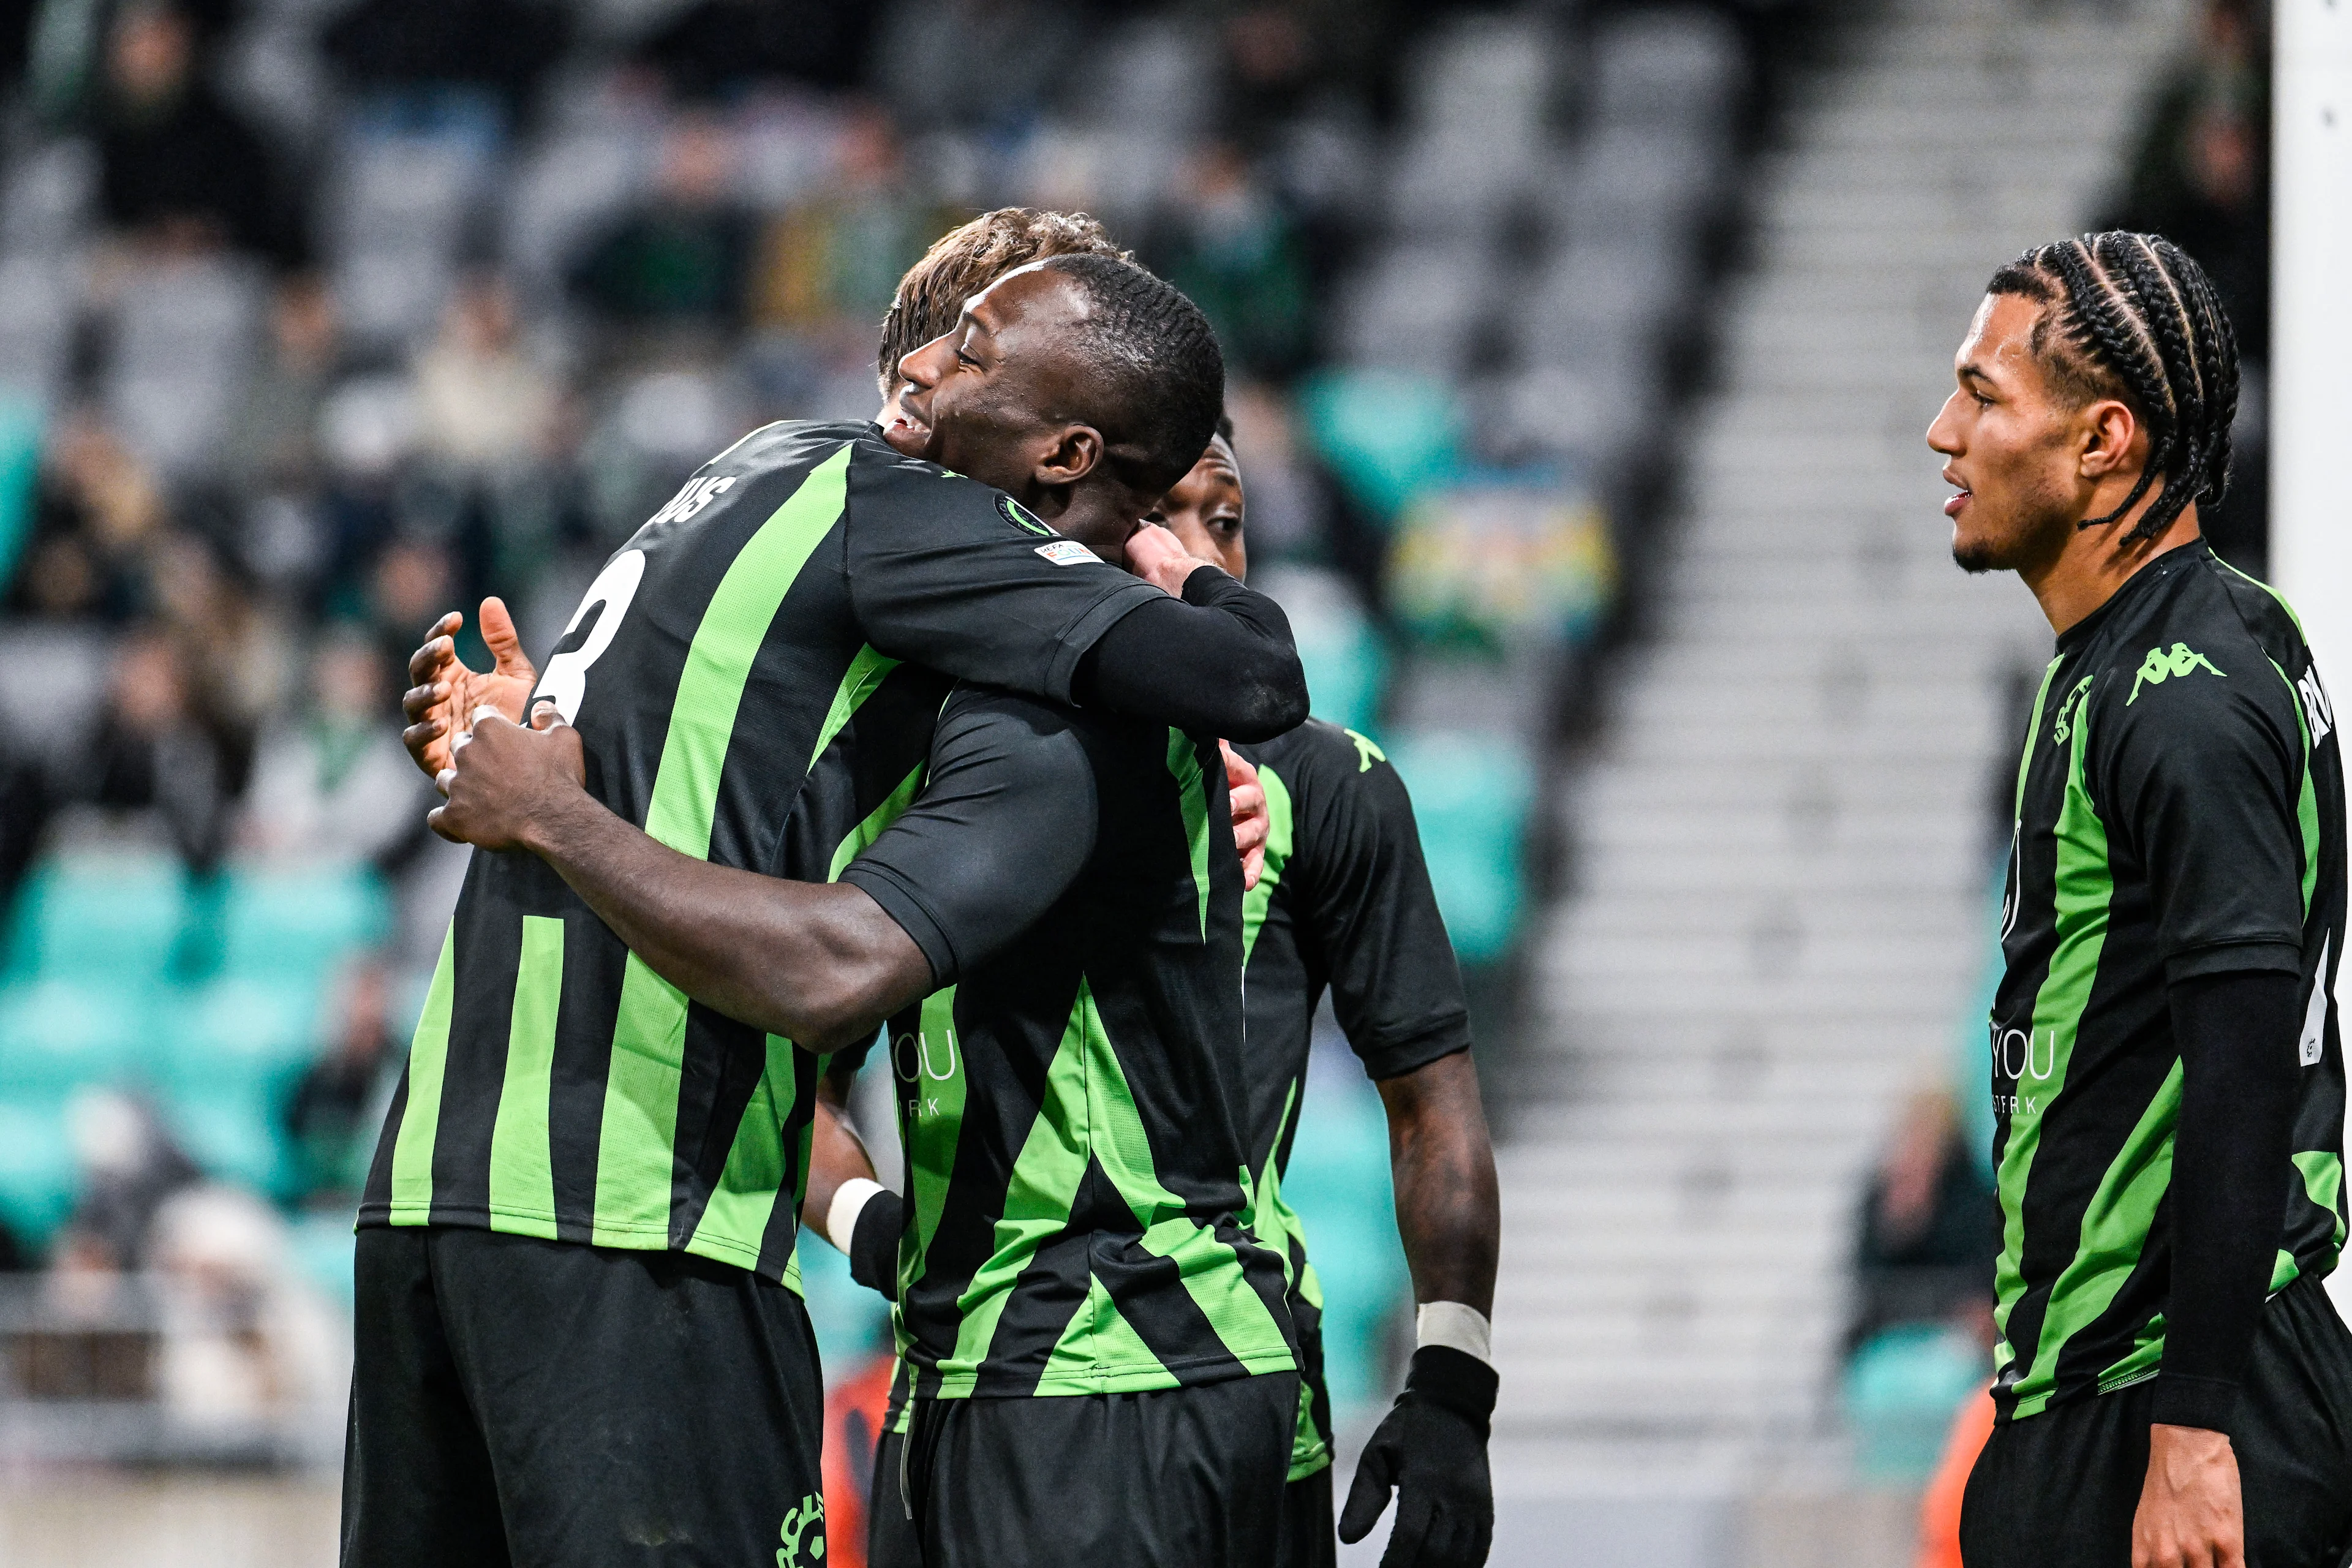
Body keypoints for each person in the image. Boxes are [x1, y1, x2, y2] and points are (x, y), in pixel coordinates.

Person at [356, 251, 1305, 1567]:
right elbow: (1254, 675)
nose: (917, 364)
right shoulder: (916, 524)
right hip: (638, 1222)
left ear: (1067, 443)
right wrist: (556, 808)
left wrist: (542, 764)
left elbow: (650, 766)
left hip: (432, 1193)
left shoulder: (764, 464)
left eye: (970, 351)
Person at [1926, 232, 2349, 1567]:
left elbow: (2243, 1065)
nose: (1945, 434)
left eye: (1986, 397)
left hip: (2174, 1396)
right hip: (2102, 1381)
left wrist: (2195, 1428)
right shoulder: (2156, 649)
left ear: (2104, 440)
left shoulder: (2183, 699)